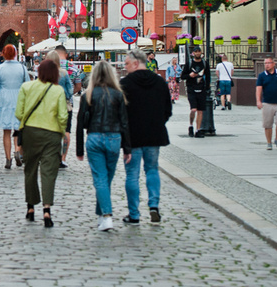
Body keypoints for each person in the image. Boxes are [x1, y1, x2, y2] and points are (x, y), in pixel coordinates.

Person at [75, 60, 131, 231]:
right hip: (114, 138)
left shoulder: (88, 95)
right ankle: (104, 215)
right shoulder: (118, 95)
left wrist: (79, 148)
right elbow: (124, 123)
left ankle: (104, 215)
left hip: (94, 137)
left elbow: (79, 123)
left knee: (100, 179)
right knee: (106, 179)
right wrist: (127, 148)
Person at [120, 49, 171, 226]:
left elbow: (120, 114)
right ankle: (154, 206)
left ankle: (134, 214)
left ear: (135, 63)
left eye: (126, 64)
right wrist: (157, 122)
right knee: (152, 170)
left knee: (132, 175)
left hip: (132, 136)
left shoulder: (125, 84)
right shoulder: (159, 82)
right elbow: (167, 110)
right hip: (154, 134)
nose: (125, 67)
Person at [16, 59, 68, 228]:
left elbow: (19, 113)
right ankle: (46, 210)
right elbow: (62, 116)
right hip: (51, 134)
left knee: (30, 168)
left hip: (30, 132)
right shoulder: (58, 90)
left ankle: (30, 207)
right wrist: (62, 133)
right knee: (48, 171)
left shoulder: (26, 87)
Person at [0, 44, 30, 169]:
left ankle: (8, 158)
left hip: (4, 98)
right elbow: (28, 85)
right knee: (18, 129)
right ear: (15, 53)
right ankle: (17, 151)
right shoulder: (22, 68)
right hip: (19, 98)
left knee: (6, 131)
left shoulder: (0, 68)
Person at [47, 50, 74, 169]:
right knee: (66, 131)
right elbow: (70, 90)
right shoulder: (63, 73)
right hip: (64, 105)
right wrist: (66, 96)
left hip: (49, 105)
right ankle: (63, 158)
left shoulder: (45, 74)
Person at [181, 47, 208, 137]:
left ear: (201, 52)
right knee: (193, 109)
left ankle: (198, 130)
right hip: (191, 89)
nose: (197, 53)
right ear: (193, 53)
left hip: (201, 89)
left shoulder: (204, 63)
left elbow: (208, 76)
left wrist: (207, 87)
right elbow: (182, 76)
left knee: (200, 111)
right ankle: (191, 125)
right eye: (196, 52)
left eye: (199, 51)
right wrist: (190, 75)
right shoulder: (189, 63)